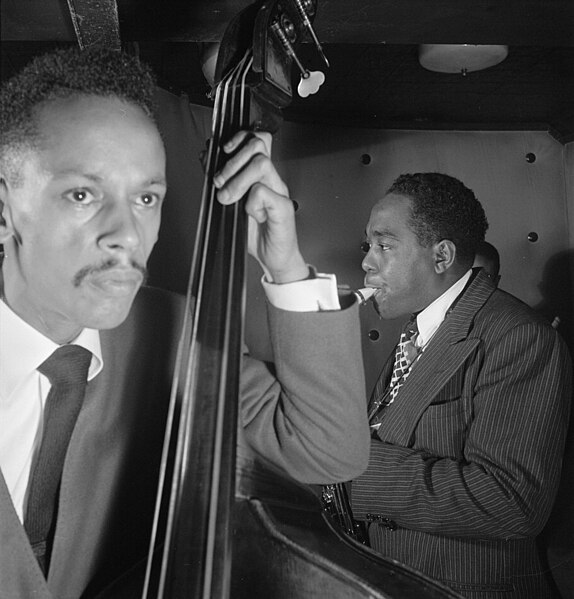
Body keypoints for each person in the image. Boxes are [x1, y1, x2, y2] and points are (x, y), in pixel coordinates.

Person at [0, 47, 369, 596]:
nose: (126, 235)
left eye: (146, 197)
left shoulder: (175, 331)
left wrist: (284, 263)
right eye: (83, 194)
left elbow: (328, 450)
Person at [350, 172, 572, 598]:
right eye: (368, 245)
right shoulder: (421, 328)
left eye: (384, 245)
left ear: (441, 256)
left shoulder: (519, 337)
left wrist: (348, 466)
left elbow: (512, 503)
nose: (366, 262)